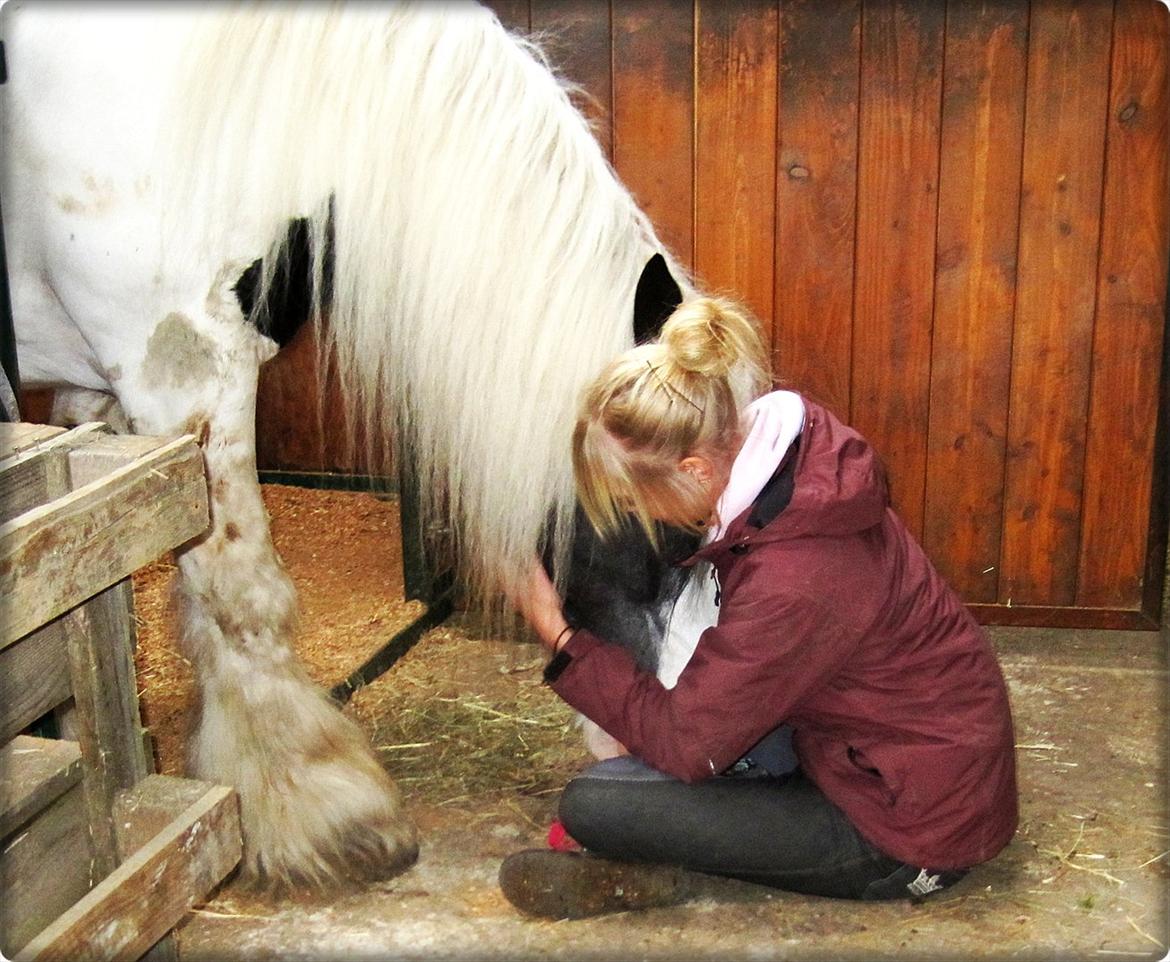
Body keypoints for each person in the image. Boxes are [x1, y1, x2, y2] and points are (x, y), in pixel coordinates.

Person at [500, 295, 1019, 919]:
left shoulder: (796, 574)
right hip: (879, 754)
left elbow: (688, 742)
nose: (636, 516)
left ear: (693, 469)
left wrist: (554, 631)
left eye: (634, 500)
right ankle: (674, 851)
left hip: (907, 835)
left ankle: (656, 868)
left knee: (596, 803)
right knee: (680, 746)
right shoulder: (794, 469)